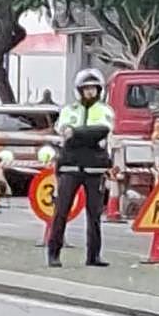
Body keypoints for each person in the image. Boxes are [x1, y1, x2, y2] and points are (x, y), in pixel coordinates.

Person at [47, 68, 114, 268]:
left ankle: (93, 256)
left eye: (93, 88)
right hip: (69, 167)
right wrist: (82, 134)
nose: (90, 92)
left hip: (94, 169)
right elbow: (62, 130)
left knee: (94, 215)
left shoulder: (104, 110)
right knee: (61, 211)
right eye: (86, 89)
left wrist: (76, 134)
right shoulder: (69, 110)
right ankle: (53, 253)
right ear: (79, 90)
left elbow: (101, 130)